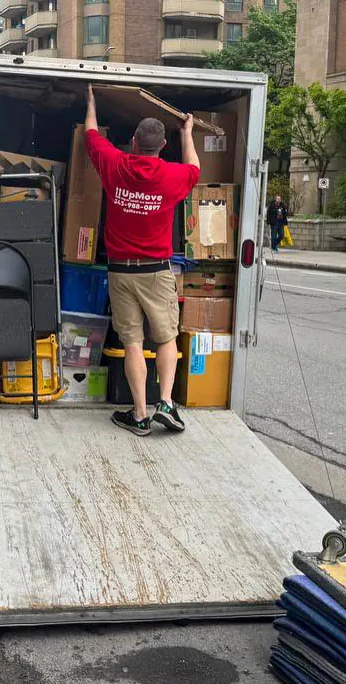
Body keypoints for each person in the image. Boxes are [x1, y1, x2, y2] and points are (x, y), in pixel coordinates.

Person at [85, 84, 200, 436]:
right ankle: (165, 402)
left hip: (121, 273)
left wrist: (91, 101)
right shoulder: (173, 176)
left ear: (133, 142)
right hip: (157, 273)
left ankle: (139, 414)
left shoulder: (114, 164)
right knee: (165, 339)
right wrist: (188, 134)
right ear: (162, 147)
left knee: (132, 343)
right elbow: (194, 166)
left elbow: (90, 133)